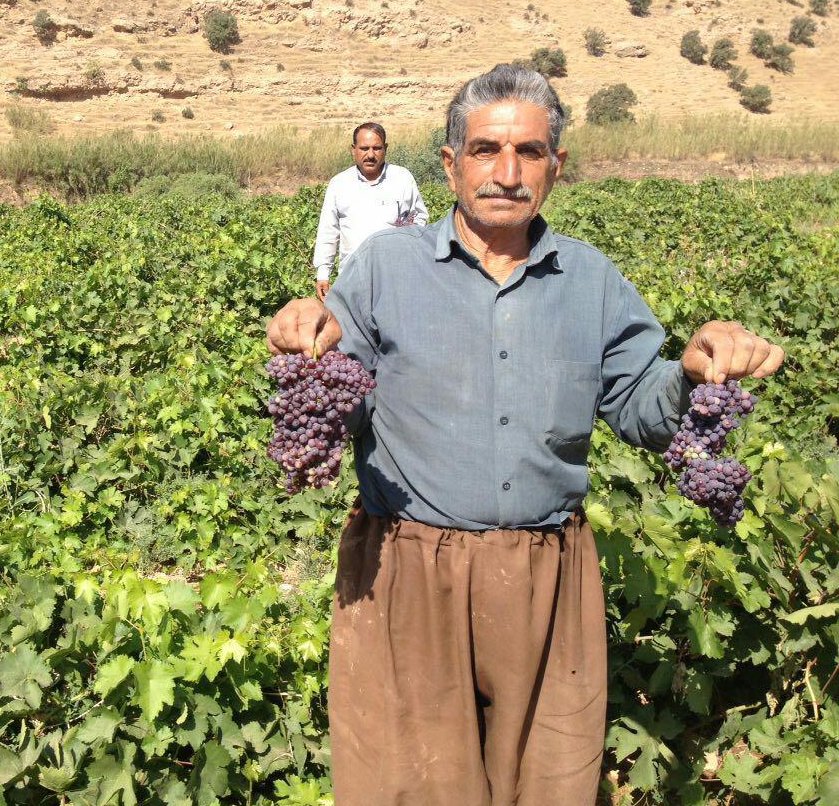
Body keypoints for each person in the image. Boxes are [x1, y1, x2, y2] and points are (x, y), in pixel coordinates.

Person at [265, 64, 785, 806]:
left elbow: (641, 406)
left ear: (557, 167)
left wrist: (691, 377)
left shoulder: (592, 281)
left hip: (548, 579)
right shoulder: (385, 268)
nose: (506, 174)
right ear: (450, 165)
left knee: (548, 786)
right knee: (412, 785)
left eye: (530, 153)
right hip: (408, 577)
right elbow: (334, 387)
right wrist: (304, 342)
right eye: (484, 151)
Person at [313, 122, 429, 302]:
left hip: (395, 278)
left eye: (377, 148)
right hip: (351, 278)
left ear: (386, 149)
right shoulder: (339, 184)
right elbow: (328, 231)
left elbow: (418, 219)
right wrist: (323, 273)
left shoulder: (402, 178)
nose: (370, 155)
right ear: (353, 150)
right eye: (364, 148)